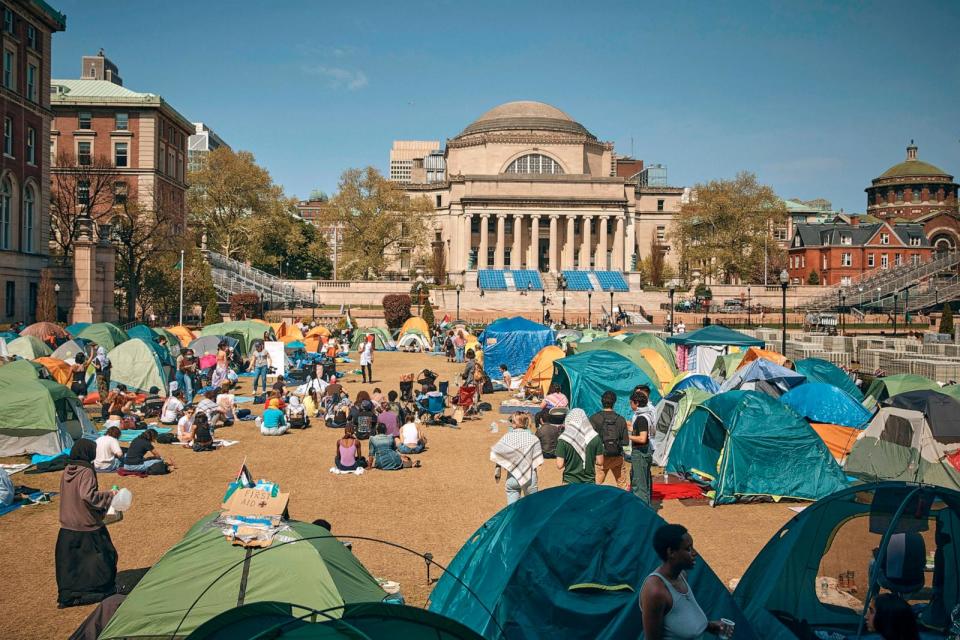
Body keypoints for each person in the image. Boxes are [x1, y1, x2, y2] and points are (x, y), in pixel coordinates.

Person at [56, 439, 118, 608]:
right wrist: (109, 495)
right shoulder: (86, 471)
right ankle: (102, 589)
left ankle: (70, 594)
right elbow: (88, 496)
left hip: (68, 523)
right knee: (104, 556)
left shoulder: (68, 469)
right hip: (86, 522)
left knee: (72, 563)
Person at [640, 524, 728, 640]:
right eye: (688, 549)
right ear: (671, 552)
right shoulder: (656, 592)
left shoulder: (681, 576)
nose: (694, 553)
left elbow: (681, 620)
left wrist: (709, 626)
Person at [490, 413, 543, 505]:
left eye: (512, 421)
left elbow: (496, 453)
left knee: (512, 510)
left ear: (514, 423)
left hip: (512, 477)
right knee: (533, 508)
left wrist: (499, 469)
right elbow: (539, 461)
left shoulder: (506, 437)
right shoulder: (534, 439)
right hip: (530, 478)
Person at [590, 390, 629, 490]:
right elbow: (625, 442)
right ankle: (624, 504)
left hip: (600, 458)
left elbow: (589, 441)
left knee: (595, 485)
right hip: (617, 457)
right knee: (622, 485)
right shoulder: (621, 419)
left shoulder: (594, 418)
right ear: (614, 402)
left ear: (601, 401)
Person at [555, 408, 603, 484]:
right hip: (589, 482)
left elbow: (559, 465)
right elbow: (600, 462)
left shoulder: (564, 439)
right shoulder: (595, 437)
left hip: (569, 482)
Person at [629, 389, 657, 505]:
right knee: (644, 482)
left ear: (636, 403)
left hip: (640, 453)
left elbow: (642, 438)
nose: (630, 405)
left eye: (631, 402)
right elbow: (638, 431)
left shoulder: (641, 418)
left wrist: (627, 437)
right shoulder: (647, 415)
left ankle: (642, 510)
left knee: (639, 485)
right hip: (645, 451)